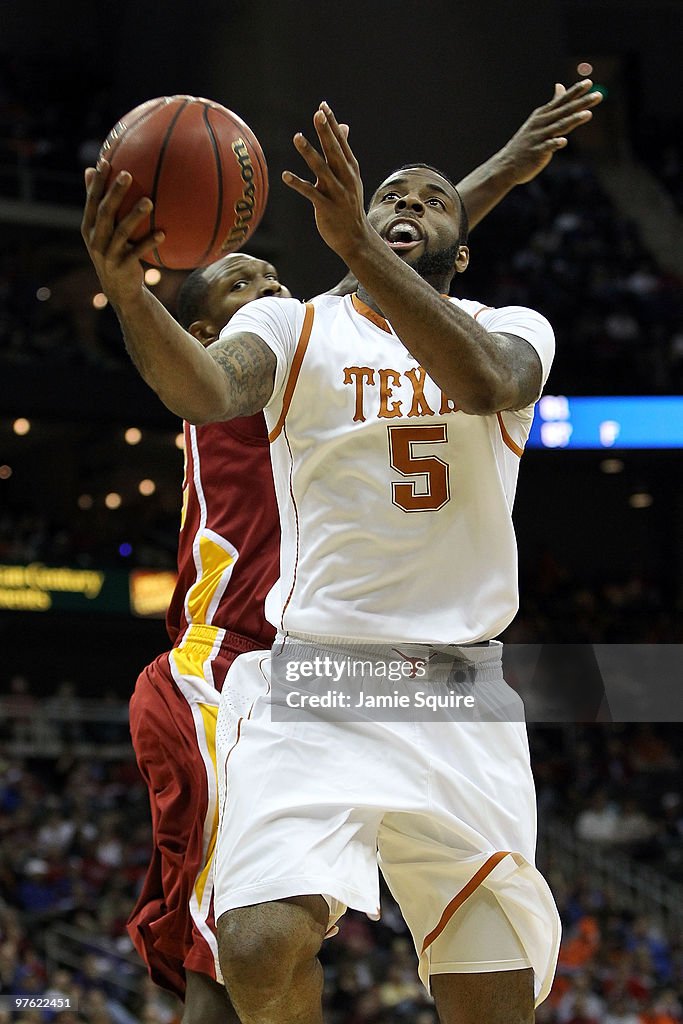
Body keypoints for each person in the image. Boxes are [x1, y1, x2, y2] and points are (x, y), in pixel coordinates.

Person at [82, 80, 602, 1024]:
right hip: (309, 675)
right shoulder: (293, 322)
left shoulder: (510, 329)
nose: (407, 204)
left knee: (490, 1001)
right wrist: (126, 292)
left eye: (433, 199)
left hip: (456, 692)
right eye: (387, 195)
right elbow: (203, 387)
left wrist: (377, 237)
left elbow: (484, 383)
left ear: (466, 246)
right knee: (252, 943)